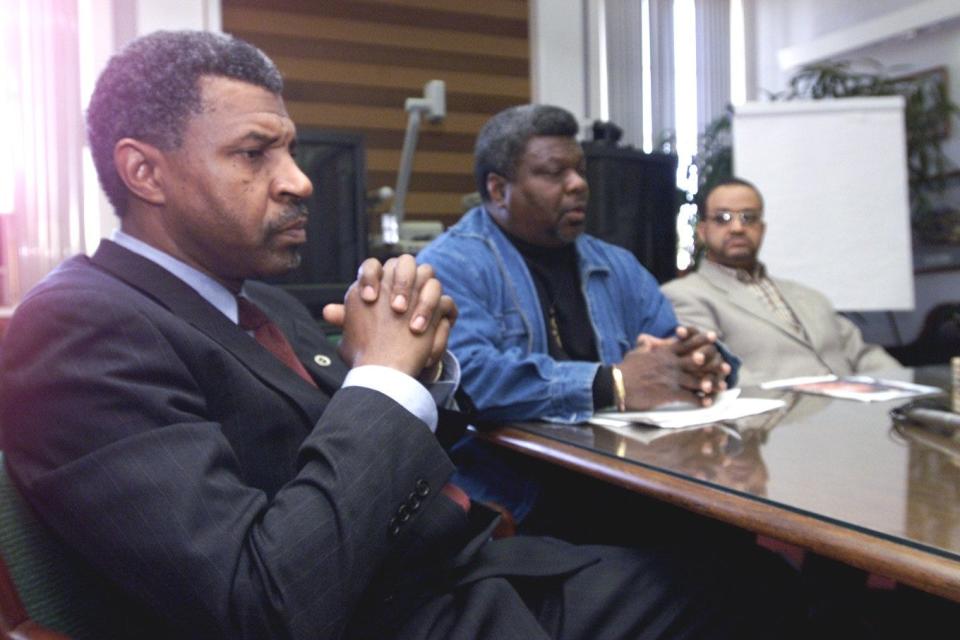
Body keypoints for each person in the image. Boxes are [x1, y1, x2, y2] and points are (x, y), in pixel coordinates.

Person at [0, 31, 805, 640]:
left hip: (466, 573)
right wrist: (382, 382)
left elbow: (390, 455)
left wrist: (425, 367)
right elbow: (262, 600)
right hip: (404, 619)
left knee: (754, 570)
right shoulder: (78, 328)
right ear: (145, 173)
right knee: (768, 599)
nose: (298, 178)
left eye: (286, 146)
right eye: (255, 153)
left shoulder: (262, 306)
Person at [417, 104, 736, 525]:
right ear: (498, 191)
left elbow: (669, 345)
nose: (579, 185)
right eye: (554, 173)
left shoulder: (616, 264)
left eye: (580, 170)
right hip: (522, 495)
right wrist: (613, 384)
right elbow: (468, 378)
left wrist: (705, 361)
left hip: (632, 476)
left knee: (735, 543)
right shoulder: (451, 265)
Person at [662, 177, 901, 386]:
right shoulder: (684, 295)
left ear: (761, 229)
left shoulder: (809, 296)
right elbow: (715, 369)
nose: (737, 227)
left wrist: (905, 390)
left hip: (854, 418)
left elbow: (863, 355)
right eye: (723, 218)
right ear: (702, 231)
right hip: (773, 427)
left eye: (748, 217)